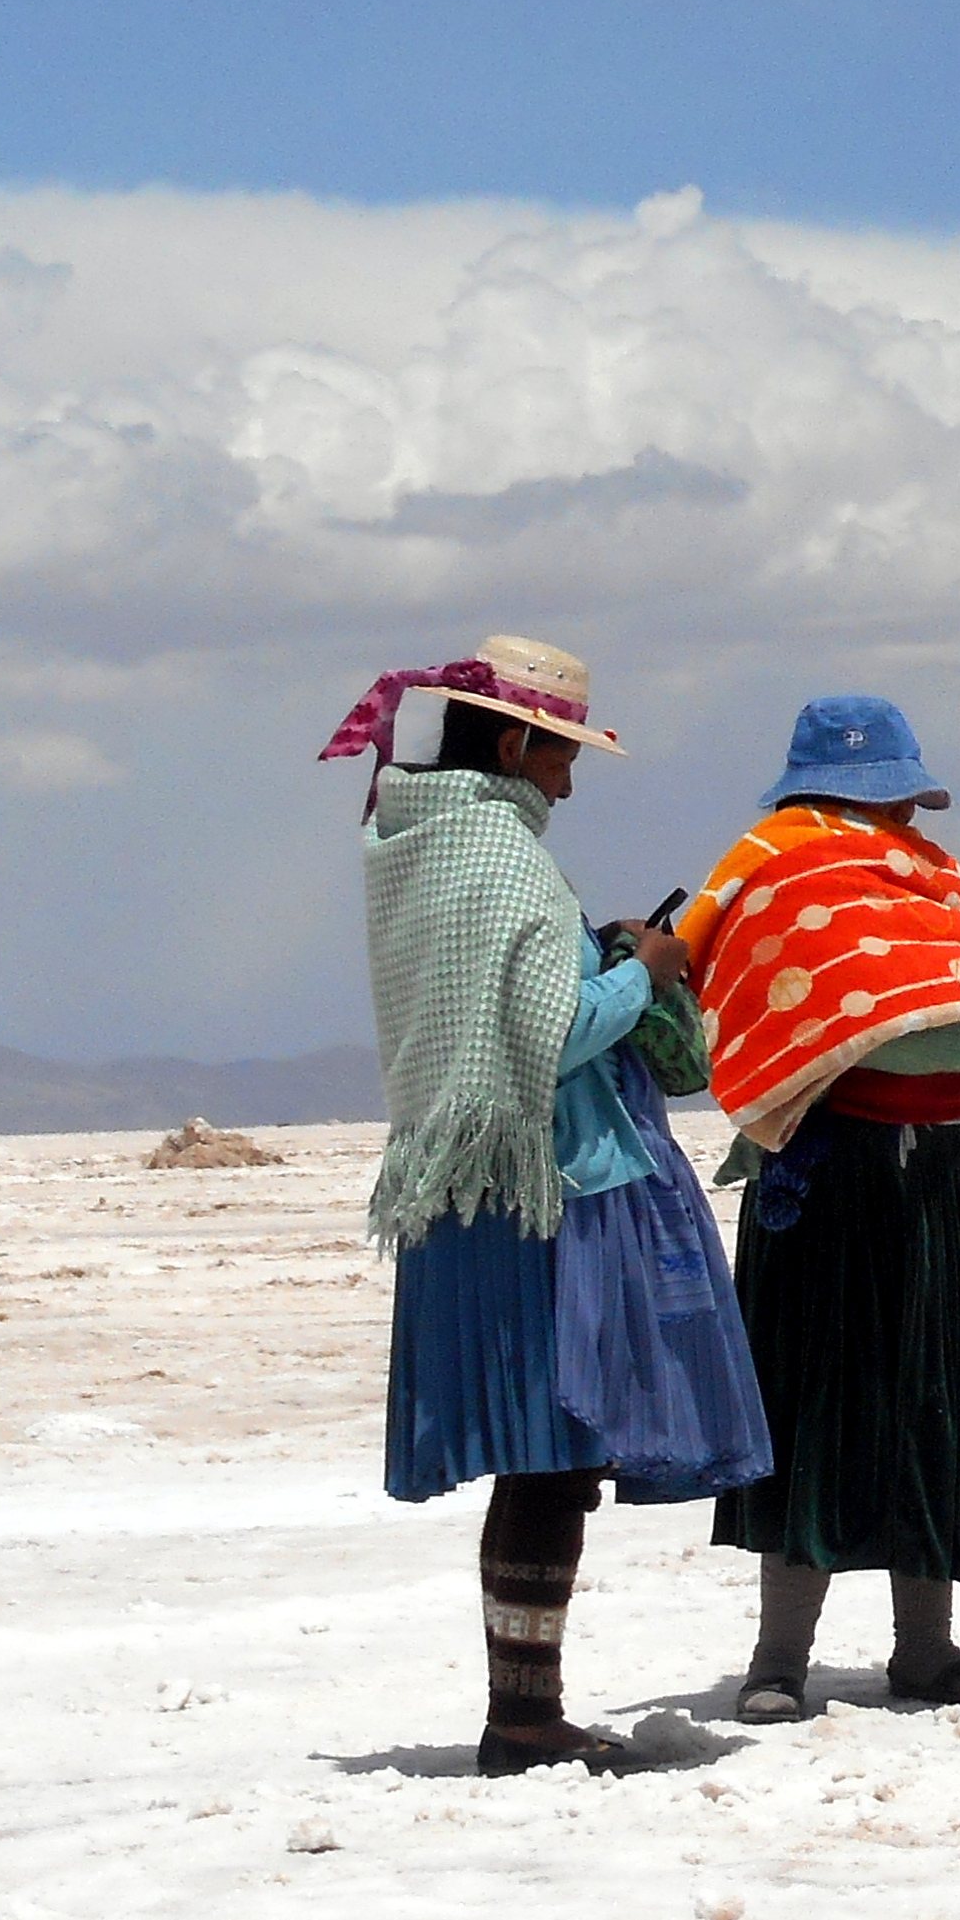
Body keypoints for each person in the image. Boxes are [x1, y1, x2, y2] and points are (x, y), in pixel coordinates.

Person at [323, 635, 772, 1776]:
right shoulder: (502, 856)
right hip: (546, 1191)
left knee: (543, 1458)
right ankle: (522, 1720)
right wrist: (646, 972)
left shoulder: (413, 843)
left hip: (467, 1185)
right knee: (546, 1458)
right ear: (517, 743)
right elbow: (553, 1034)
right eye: (562, 755)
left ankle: (524, 1709)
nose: (567, 781)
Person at [672, 697, 960, 1722]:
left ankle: (926, 1646)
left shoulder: (931, 874)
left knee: (941, 1395)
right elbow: (827, 1022)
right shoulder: (778, 875)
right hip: (838, 1178)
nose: (895, 817)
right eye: (884, 796)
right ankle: (779, 1657)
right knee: (818, 1399)